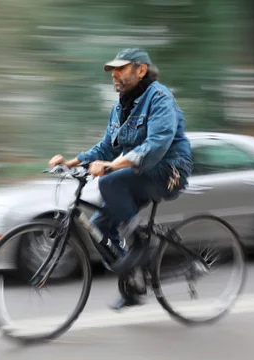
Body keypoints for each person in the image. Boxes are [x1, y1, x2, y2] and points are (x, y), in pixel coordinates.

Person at [49, 48, 193, 310]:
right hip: (141, 174)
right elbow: (106, 148)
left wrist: (112, 166)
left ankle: (140, 243)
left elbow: (157, 143)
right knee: (100, 227)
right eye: (112, 70)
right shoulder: (119, 108)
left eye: (121, 68)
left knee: (109, 181)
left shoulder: (160, 97)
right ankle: (135, 284)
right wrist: (72, 162)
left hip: (170, 171)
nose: (114, 74)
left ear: (141, 70)